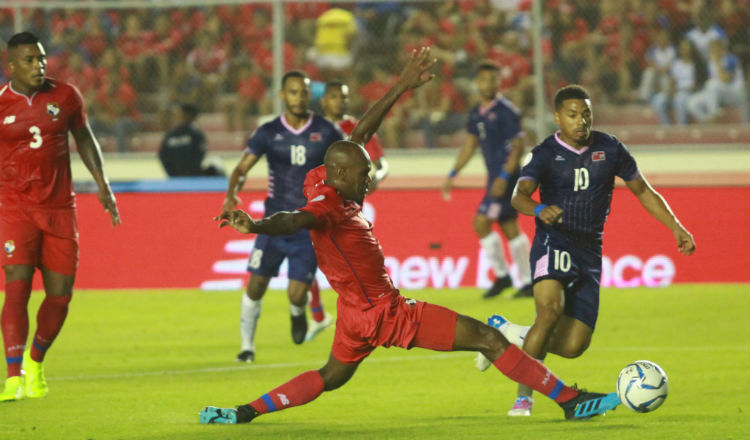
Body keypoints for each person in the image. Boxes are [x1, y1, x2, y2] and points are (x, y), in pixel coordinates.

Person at [201, 48, 618, 424]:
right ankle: (569, 401)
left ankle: (244, 412)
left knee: (331, 376)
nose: (369, 182)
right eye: (364, 176)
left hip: (353, 314)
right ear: (343, 175)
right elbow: (293, 221)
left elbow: (359, 136)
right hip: (387, 312)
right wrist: (256, 225)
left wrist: (400, 86)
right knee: (488, 339)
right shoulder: (326, 206)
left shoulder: (322, 176)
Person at [484, 85, 695, 417]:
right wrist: (539, 210)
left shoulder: (610, 149)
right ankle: (524, 395)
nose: (581, 121)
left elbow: (643, 190)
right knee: (550, 312)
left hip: (589, 250)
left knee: (573, 346)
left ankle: (511, 335)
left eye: (586, 114)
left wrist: (676, 226)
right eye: (572, 114)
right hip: (554, 240)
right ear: (557, 117)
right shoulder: (543, 154)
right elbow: (517, 196)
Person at [0, 32, 120, 402]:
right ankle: (13, 376)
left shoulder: (66, 96)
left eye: (41, 58)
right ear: (12, 66)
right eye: (29, 60)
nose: (39, 65)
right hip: (15, 208)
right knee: (17, 285)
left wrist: (102, 184)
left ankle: (36, 361)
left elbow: (84, 138)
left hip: (58, 210)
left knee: (60, 296)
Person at [222, 70, 341, 364]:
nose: (299, 97)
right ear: (282, 95)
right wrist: (230, 195)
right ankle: (246, 347)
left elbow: (343, 165)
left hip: (308, 226)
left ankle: (297, 312)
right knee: (255, 285)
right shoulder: (268, 132)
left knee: (297, 293)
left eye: (304, 92)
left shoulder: (326, 131)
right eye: (293, 92)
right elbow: (241, 169)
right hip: (273, 225)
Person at [441, 61, 533, 300]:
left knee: (481, 222)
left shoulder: (506, 111)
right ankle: (529, 280)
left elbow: (519, 146)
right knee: (509, 226)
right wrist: (453, 173)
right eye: (484, 79)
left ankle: (504, 276)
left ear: (498, 82)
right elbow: (471, 144)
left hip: (507, 175)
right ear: (477, 83)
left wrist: (504, 176)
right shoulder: (476, 113)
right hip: (496, 176)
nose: (488, 84)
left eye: (493, 79)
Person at [320, 80, 389, 190]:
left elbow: (382, 165)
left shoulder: (361, 128)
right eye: (333, 97)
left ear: (348, 100)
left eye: (343, 97)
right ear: (323, 101)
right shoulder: (314, 128)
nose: (339, 101)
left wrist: (377, 177)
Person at [158, 103, 224, 177]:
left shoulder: (170, 135)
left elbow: (163, 155)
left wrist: (172, 174)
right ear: (194, 117)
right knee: (216, 165)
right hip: (193, 175)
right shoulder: (196, 134)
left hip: (174, 175)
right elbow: (201, 155)